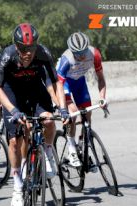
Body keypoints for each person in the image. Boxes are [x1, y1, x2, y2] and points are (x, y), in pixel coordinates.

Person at [0, 23, 70, 206]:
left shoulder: (43, 53)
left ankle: (49, 152)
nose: (28, 53)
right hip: (13, 96)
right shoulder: (8, 55)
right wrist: (13, 110)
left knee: (49, 121)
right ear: (17, 46)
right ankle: (18, 183)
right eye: (24, 49)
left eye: (32, 48)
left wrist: (63, 108)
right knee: (14, 141)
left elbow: (55, 82)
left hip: (36, 92)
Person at [56, 31, 107, 170]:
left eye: (84, 51)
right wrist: (62, 109)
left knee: (87, 115)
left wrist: (102, 98)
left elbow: (100, 78)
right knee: (73, 113)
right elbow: (58, 85)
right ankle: (72, 151)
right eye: (78, 53)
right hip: (64, 84)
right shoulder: (66, 60)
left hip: (79, 83)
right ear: (72, 51)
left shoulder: (94, 54)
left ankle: (82, 148)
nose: (82, 56)